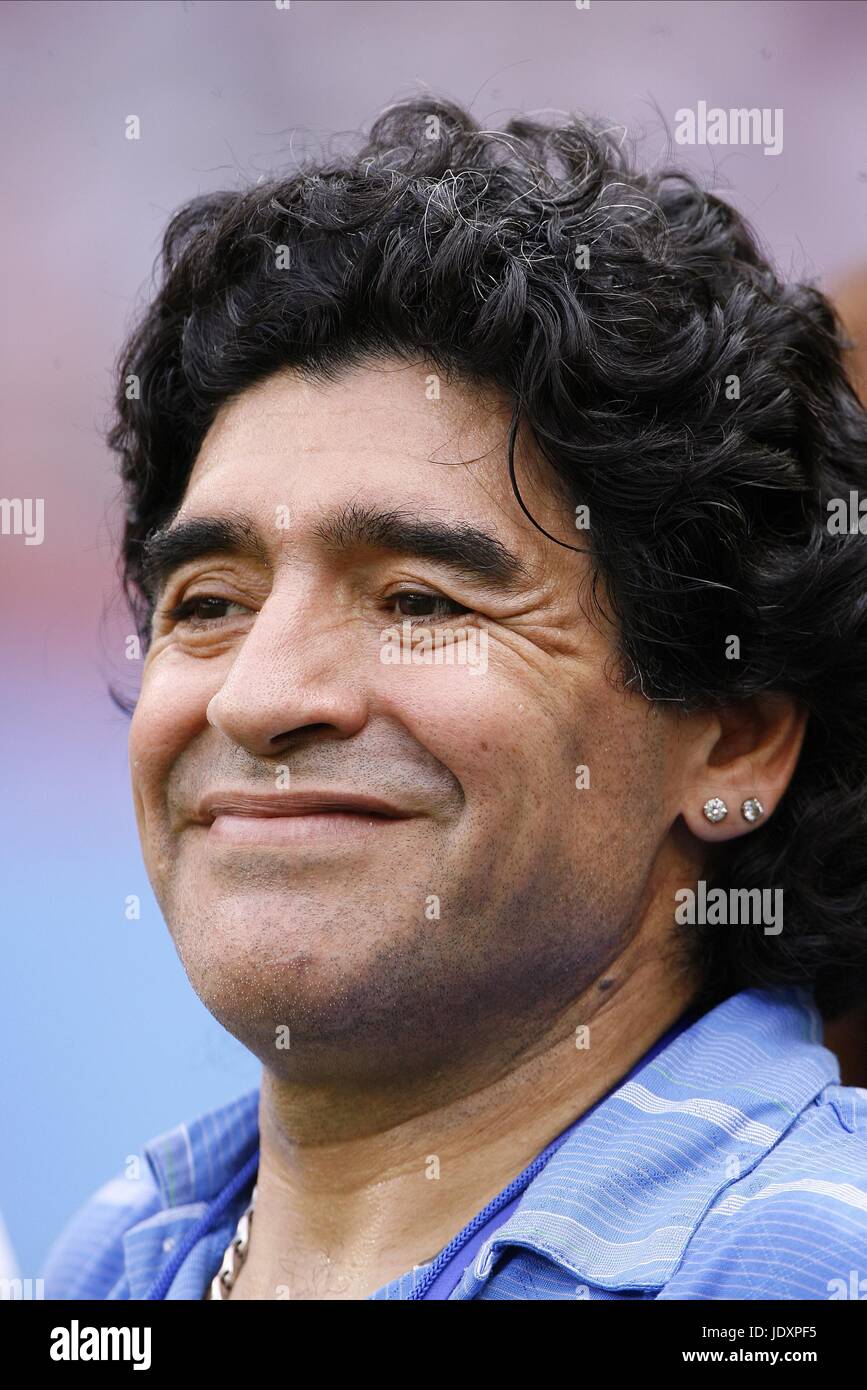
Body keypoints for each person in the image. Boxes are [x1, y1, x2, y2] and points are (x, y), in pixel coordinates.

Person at [43, 97, 867, 1300]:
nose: (260, 698)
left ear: (733, 741)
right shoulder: (120, 1259)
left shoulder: (797, 1277)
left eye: (421, 603)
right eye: (210, 603)